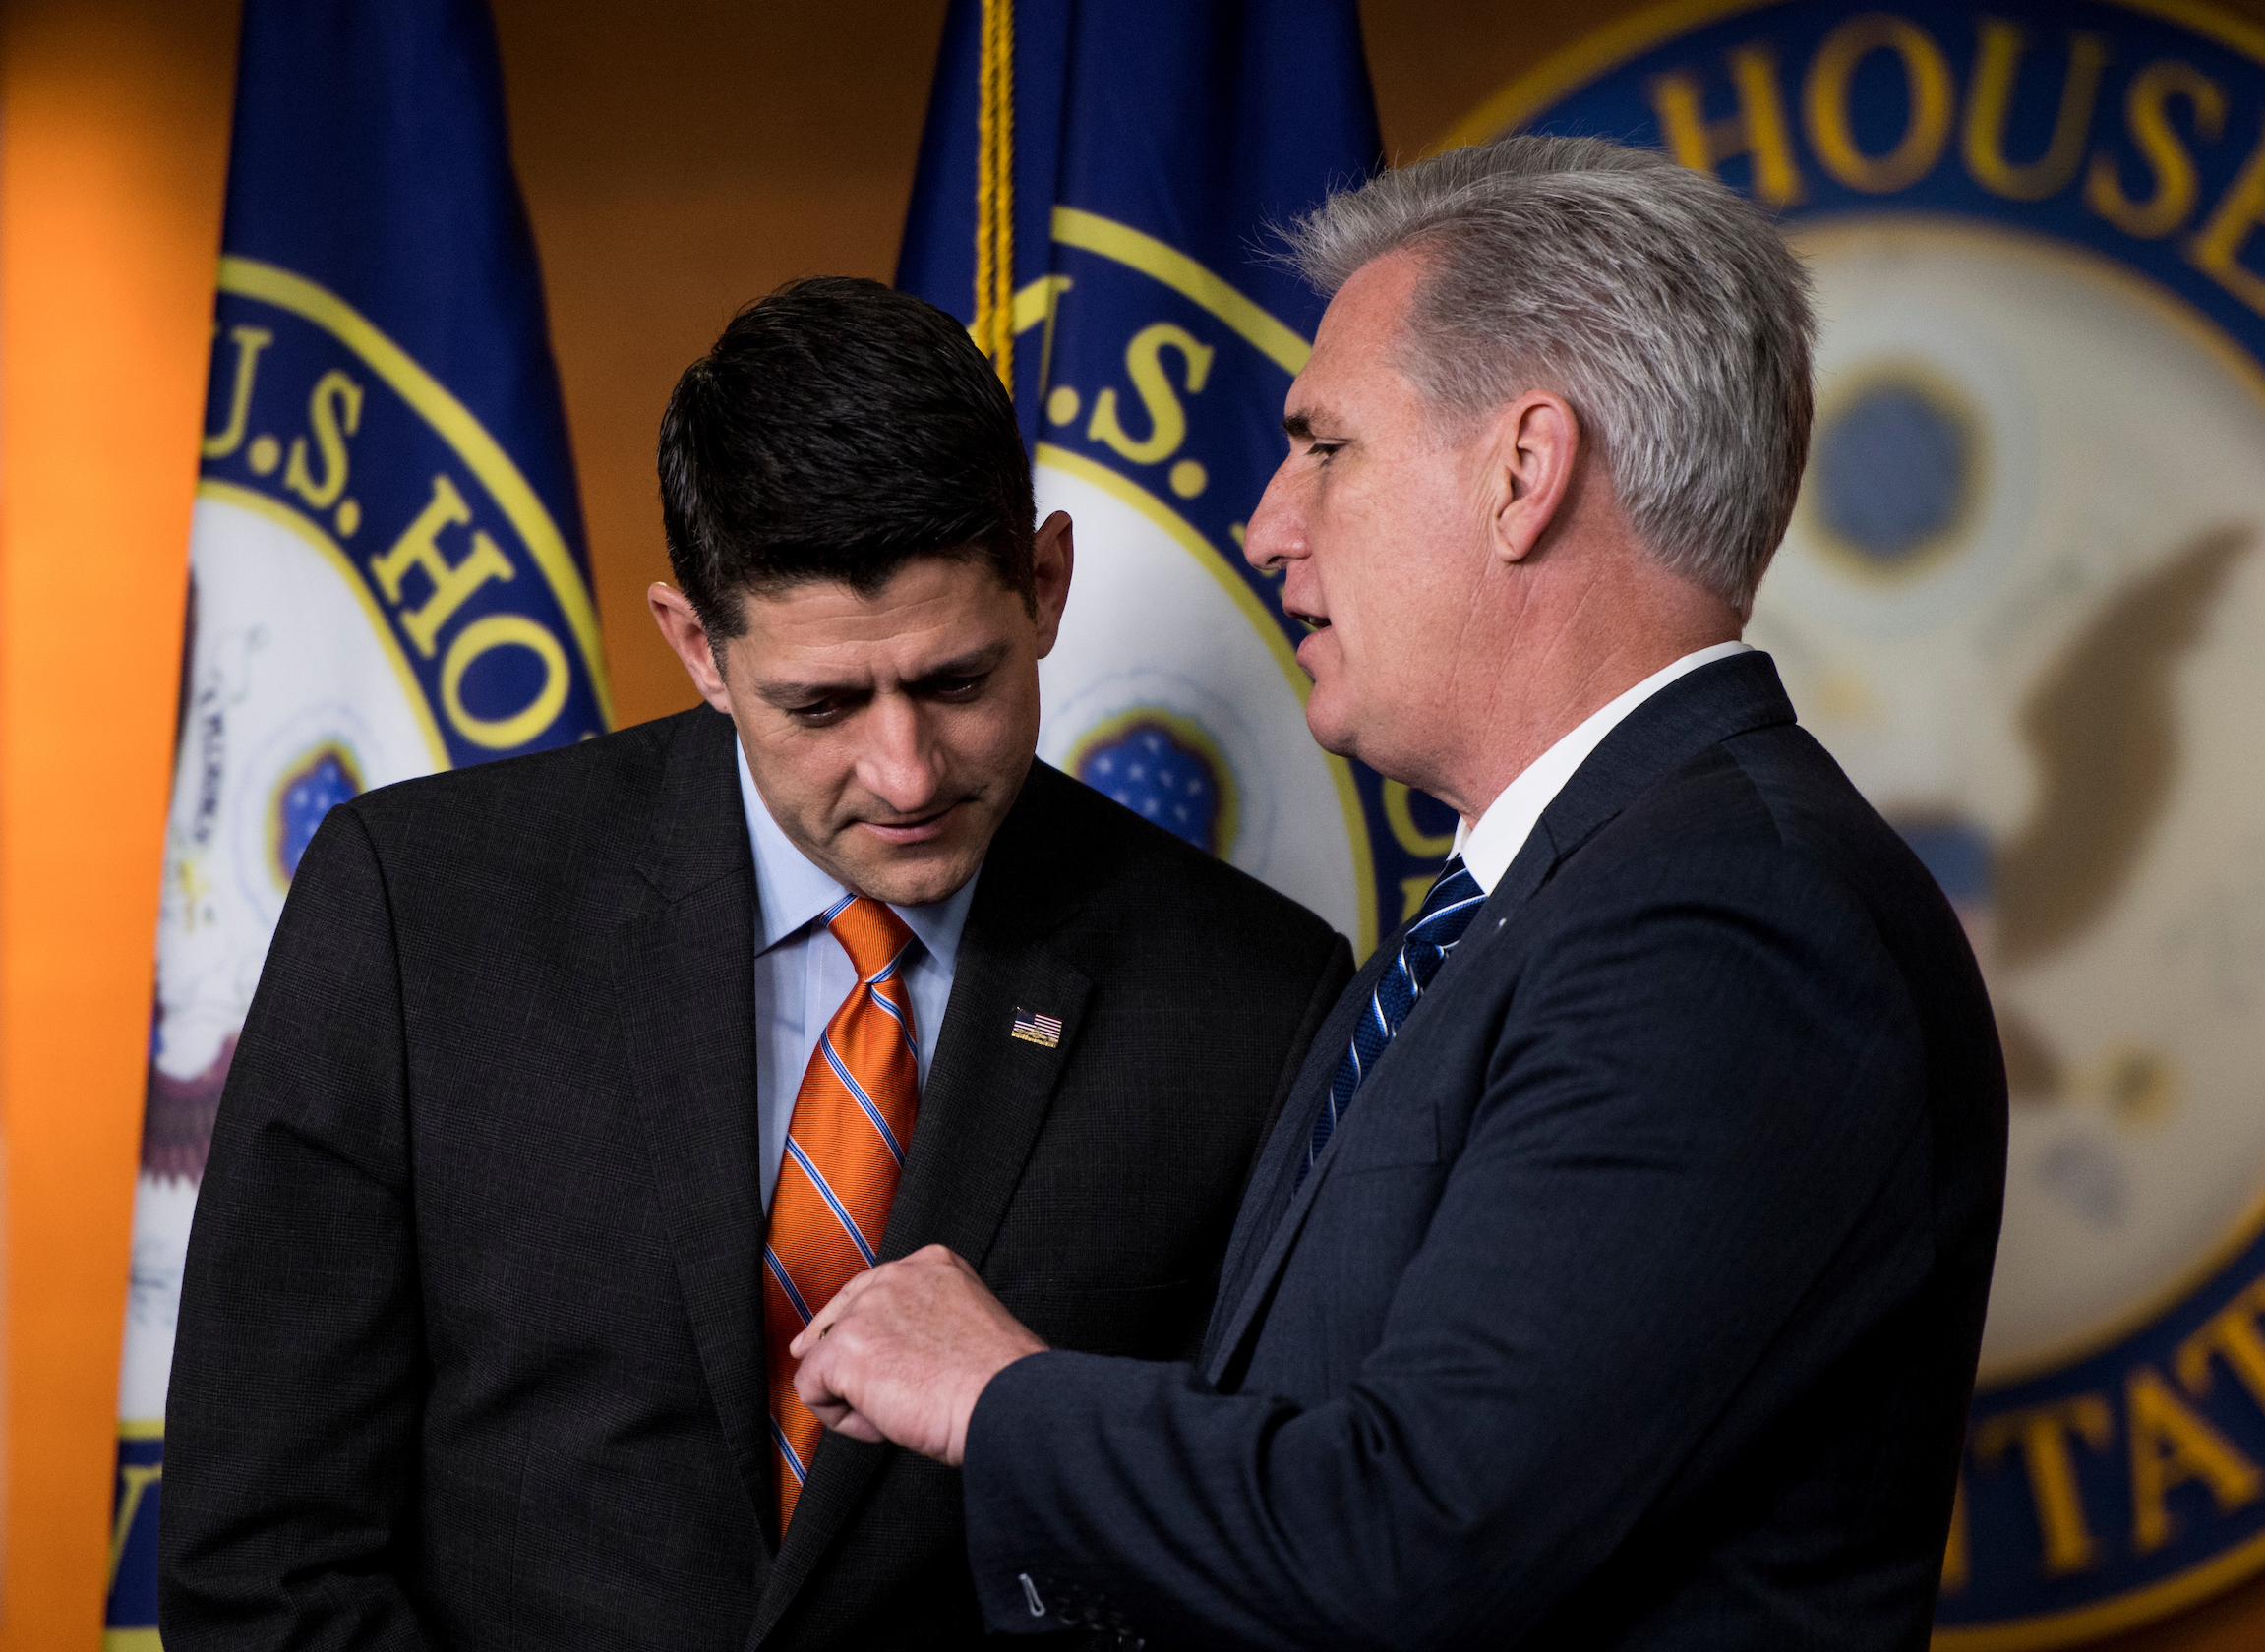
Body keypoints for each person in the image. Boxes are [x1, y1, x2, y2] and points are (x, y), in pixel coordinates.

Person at [788, 138, 2010, 1649]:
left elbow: (1421, 1539)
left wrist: (998, 1396)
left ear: (1523, 472)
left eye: (1323, 445)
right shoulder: (1525, 912)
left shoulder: (1728, 927)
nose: (1269, 526)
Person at [160, 276, 1354, 1651]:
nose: (905, 771)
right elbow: (260, 1557)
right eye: (822, 704)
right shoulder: (416, 910)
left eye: (958, 682)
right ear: (698, 649)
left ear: (1045, 586)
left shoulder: (1252, 999)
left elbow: (1256, 1552)